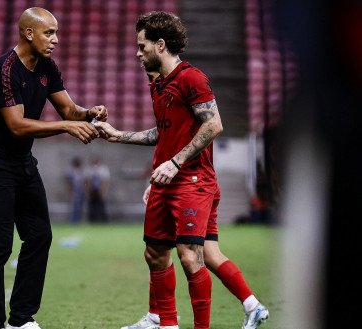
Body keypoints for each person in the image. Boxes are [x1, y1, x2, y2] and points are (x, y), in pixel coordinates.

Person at [95, 11, 267, 329]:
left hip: (192, 179)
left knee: (190, 256)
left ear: (160, 45)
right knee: (155, 253)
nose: (137, 52)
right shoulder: (158, 85)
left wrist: (175, 163)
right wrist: (118, 135)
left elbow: (213, 124)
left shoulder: (192, 78)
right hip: (166, 181)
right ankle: (167, 324)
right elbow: (162, 133)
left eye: (141, 46)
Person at [0, 7, 107, 329]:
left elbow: (69, 109)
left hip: (20, 162)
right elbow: (16, 125)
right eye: (49, 33)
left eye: (56, 33)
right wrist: (66, 127)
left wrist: (88, 114)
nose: (56, 40)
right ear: (28, 33)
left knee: (40, 236)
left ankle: (21, 318)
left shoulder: (46, 66)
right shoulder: (5, 70)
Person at [85, 156, 110, 223]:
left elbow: (105, 181)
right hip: (92, 191)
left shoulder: (103, 169)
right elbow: (87, 181)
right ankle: (92, 221)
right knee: (92, 207)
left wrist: (104, 192)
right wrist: (87, 192)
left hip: (100, 190)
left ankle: (103, 221)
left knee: (101, 206)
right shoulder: (89, 169)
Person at [65, 157, 85, 224]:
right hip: (75, 190)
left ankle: (78, 220)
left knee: (79, 207)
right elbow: (69, 183)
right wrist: (70, 192)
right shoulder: (72, 171)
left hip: (80, 190)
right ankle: (74, 221)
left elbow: (83, 182)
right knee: (75, 207)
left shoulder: (80, 171)